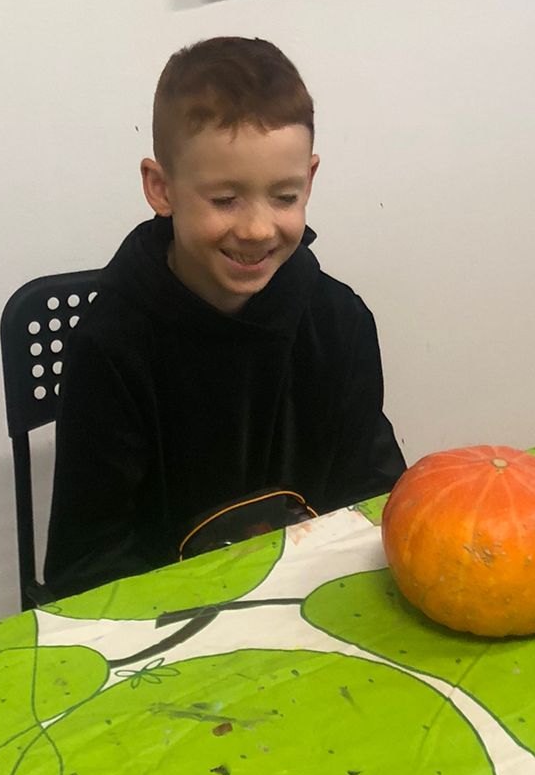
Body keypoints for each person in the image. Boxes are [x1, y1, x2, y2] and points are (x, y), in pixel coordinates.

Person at [44, 39, 405, 597]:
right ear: (161, 188)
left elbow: (375, 499)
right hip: (170, 623)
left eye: (284, 197)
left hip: (316, 600)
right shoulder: (110, 347)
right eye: (224, 200)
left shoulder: (341, 321)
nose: (257, 229)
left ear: (310, 180)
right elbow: (89, 566)